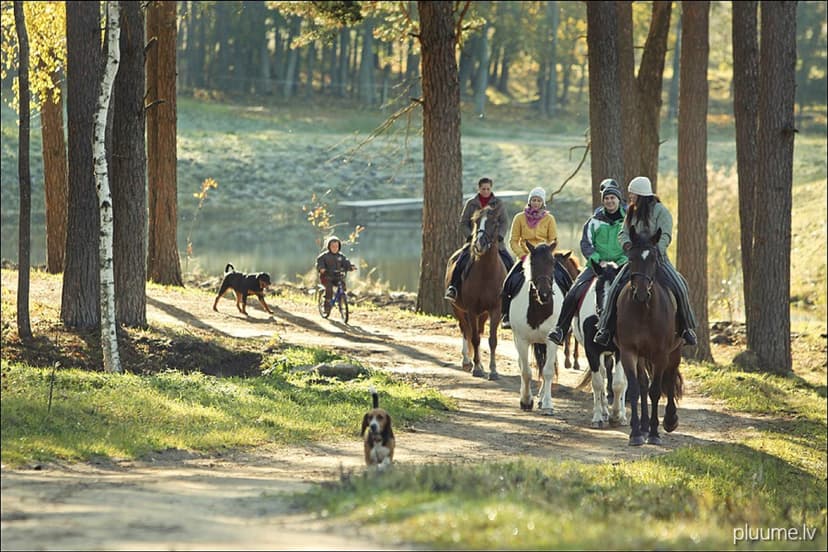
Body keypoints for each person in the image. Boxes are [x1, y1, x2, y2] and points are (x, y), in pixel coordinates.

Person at [592, 176, 698, 347]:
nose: (630, 197)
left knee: (680, 286)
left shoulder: (661, 211)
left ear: (641, 194)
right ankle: (605, 328)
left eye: (632, 194)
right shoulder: (631, 211)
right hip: (635, 261)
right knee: (613, 289)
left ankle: (687, 328)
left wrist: (656, 251)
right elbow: (623, 232)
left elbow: (665, 235)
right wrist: (626, 244)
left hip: (658, 259)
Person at [547, 178, 627, 345]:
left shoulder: (628, 221)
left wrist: (621, 261)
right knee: (573, 293)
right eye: (606, 198)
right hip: (597, 267)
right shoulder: (593, 221)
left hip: (621, 266)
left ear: (619, 200)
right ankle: (560, 329)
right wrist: (599, 261)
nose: (609, 201)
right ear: (603, 201)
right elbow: (586, 243)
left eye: (613, 198)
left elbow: (632, 244)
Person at [500, 187, 561, 329]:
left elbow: (554, 240)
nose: (536, 203)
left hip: (544, 258)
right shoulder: (519, 218)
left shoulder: (549, 219)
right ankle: (506, 316)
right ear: (529, 201)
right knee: (508, 283)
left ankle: (567, 316)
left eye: (539, 200)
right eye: (533, 200)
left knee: (566, 279)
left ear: (543, 203)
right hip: (525, 257)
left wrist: (546, 254)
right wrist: (522, 255)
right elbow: (513, 240)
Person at [444, 177, 514, 302]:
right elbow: (463, 222)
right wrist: (470, 236)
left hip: (495, 242)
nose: (486, 191)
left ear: (491, 189)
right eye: (483, 189)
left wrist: (500, 236)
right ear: (479, 189)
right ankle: (453, 288)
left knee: (509, 262)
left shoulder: (498, 203)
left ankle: (511, 292)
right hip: (474, 242)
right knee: (461, 260)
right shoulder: (471, 203)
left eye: (488, 189)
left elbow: (504, 222)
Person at [316, 236, 355, 314]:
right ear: (329, 247)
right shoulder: (324, 256)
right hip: (326, 277)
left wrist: (350, 266)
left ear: (339, 247)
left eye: (336, 246)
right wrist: (321, 268)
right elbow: (319, 263)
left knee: (342, 285)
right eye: (333, 246)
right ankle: (326, 307)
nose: (335, 248)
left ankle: (341, 301)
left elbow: (346, 262)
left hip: (337, 276)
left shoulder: (341, 256)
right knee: (329, 289)